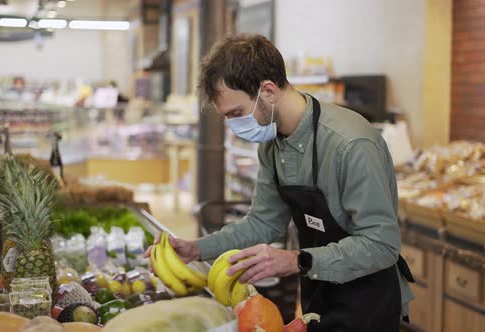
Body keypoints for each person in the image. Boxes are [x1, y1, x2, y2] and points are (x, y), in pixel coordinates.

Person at [144, 34, 414, 331]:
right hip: (319, 291)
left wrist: (296, 260)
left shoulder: (351, 144)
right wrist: (197, 248)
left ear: (269, 92)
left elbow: (381, 244)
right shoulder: (272, 144)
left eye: (236, 113)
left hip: (370, 301)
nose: (234, 125)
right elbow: (264, 223)